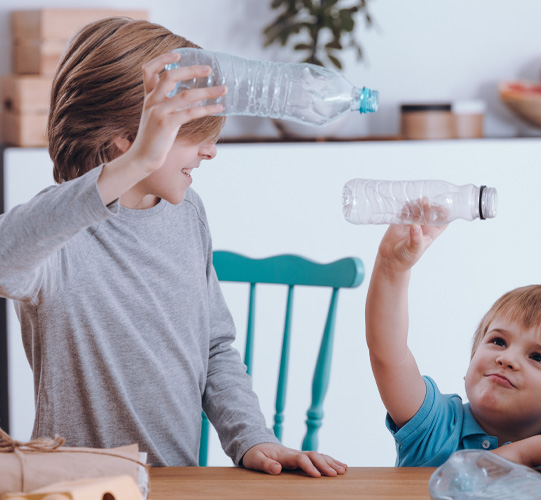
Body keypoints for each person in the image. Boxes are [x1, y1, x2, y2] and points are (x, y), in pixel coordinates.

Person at [0, 17, 346, 476]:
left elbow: (214, 348)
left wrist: (252, 437)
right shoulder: (59, 234)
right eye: (192, 133)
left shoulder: (187, 213)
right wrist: (139, 160)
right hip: (75, 485)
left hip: (174, 480)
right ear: (127, 139)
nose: (211, 151)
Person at [365, 224, 541, 469]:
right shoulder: (436, 427)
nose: (507, 358)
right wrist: (392, 267)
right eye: (498, 341)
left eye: (537, 357)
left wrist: (526, 453)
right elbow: (390, 355)